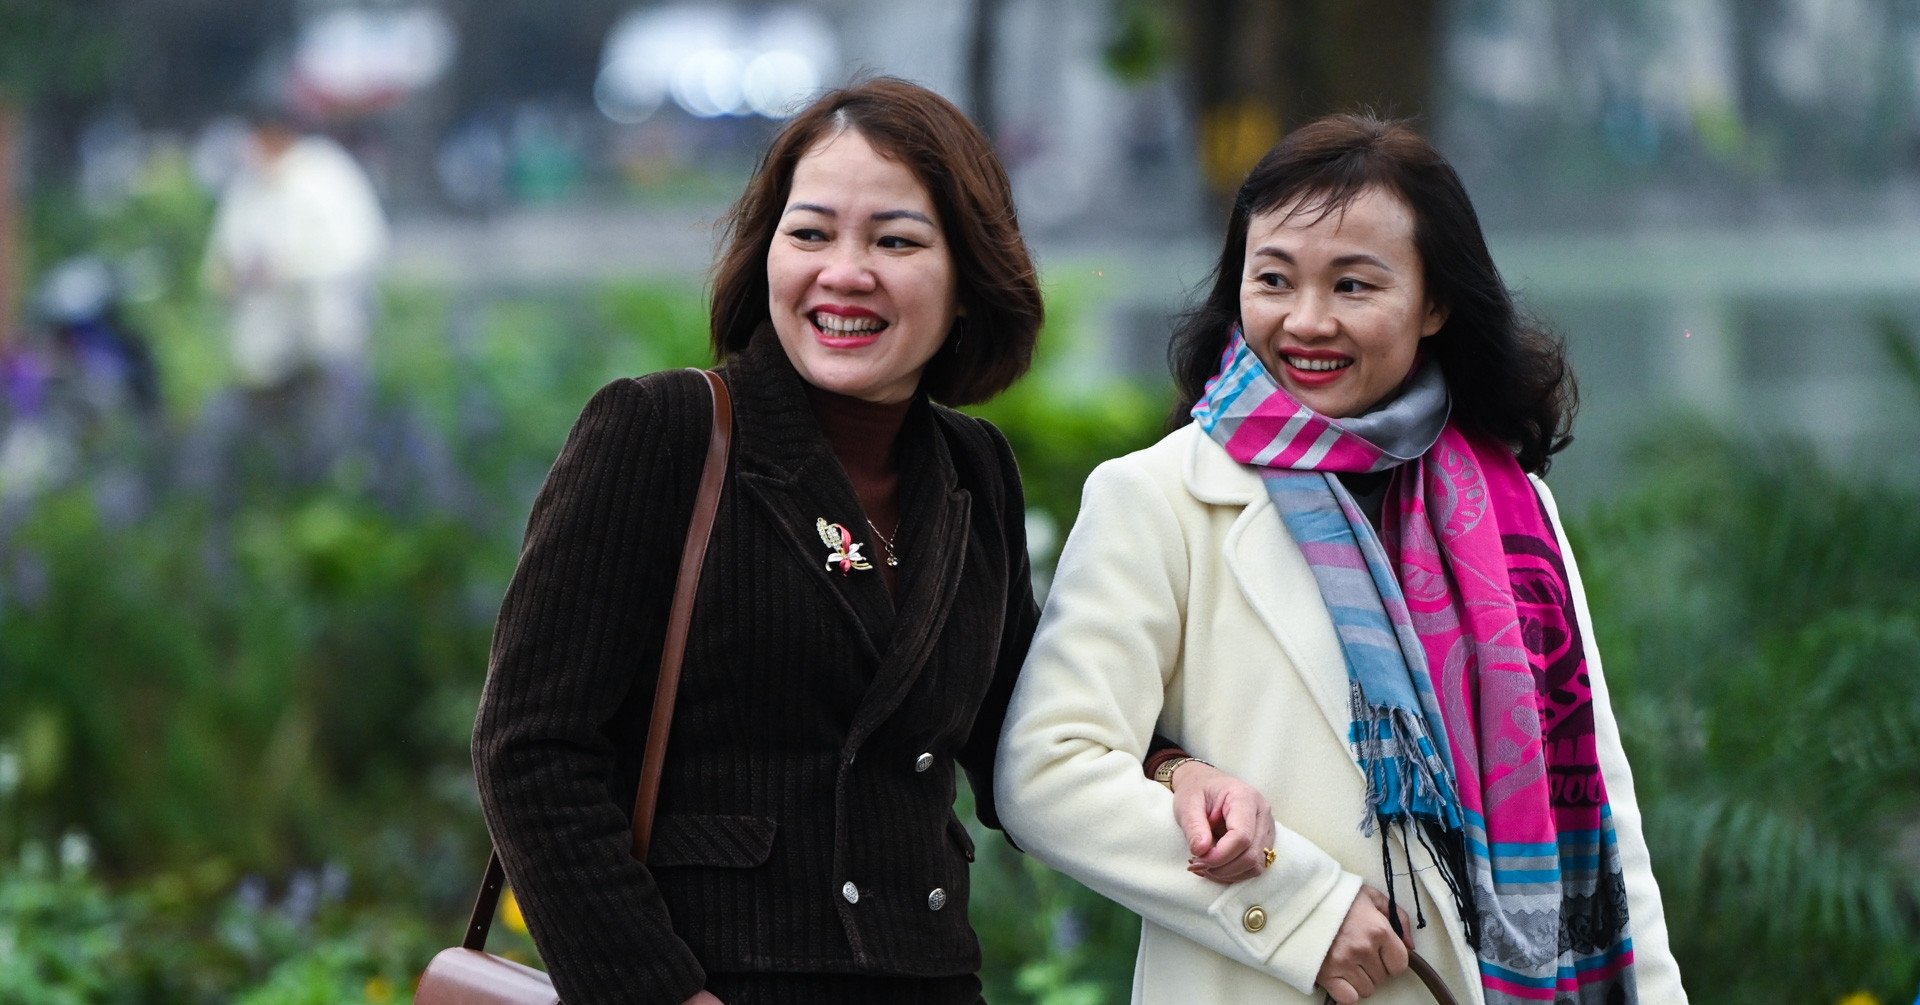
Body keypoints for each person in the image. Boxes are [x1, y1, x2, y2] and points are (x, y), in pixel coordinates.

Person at [995, 114, 1689, 1004]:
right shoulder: (1160, 496)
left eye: (1354, 285)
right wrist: (1296, 909)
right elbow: (1047, 768)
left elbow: (1596, 797)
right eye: (1273, 280)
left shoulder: (1515, 507)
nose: (1307, 321)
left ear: (1435, 301)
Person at [472, 78, 1045, 1005]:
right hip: (715, 978)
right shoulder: (661, 430)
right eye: (810, 233)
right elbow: (530, 747)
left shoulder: (975, 468)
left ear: (970, 278)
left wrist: (1174, 772)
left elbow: (1028, 732)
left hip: (929, 976)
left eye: (895, 240)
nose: (844, 272)